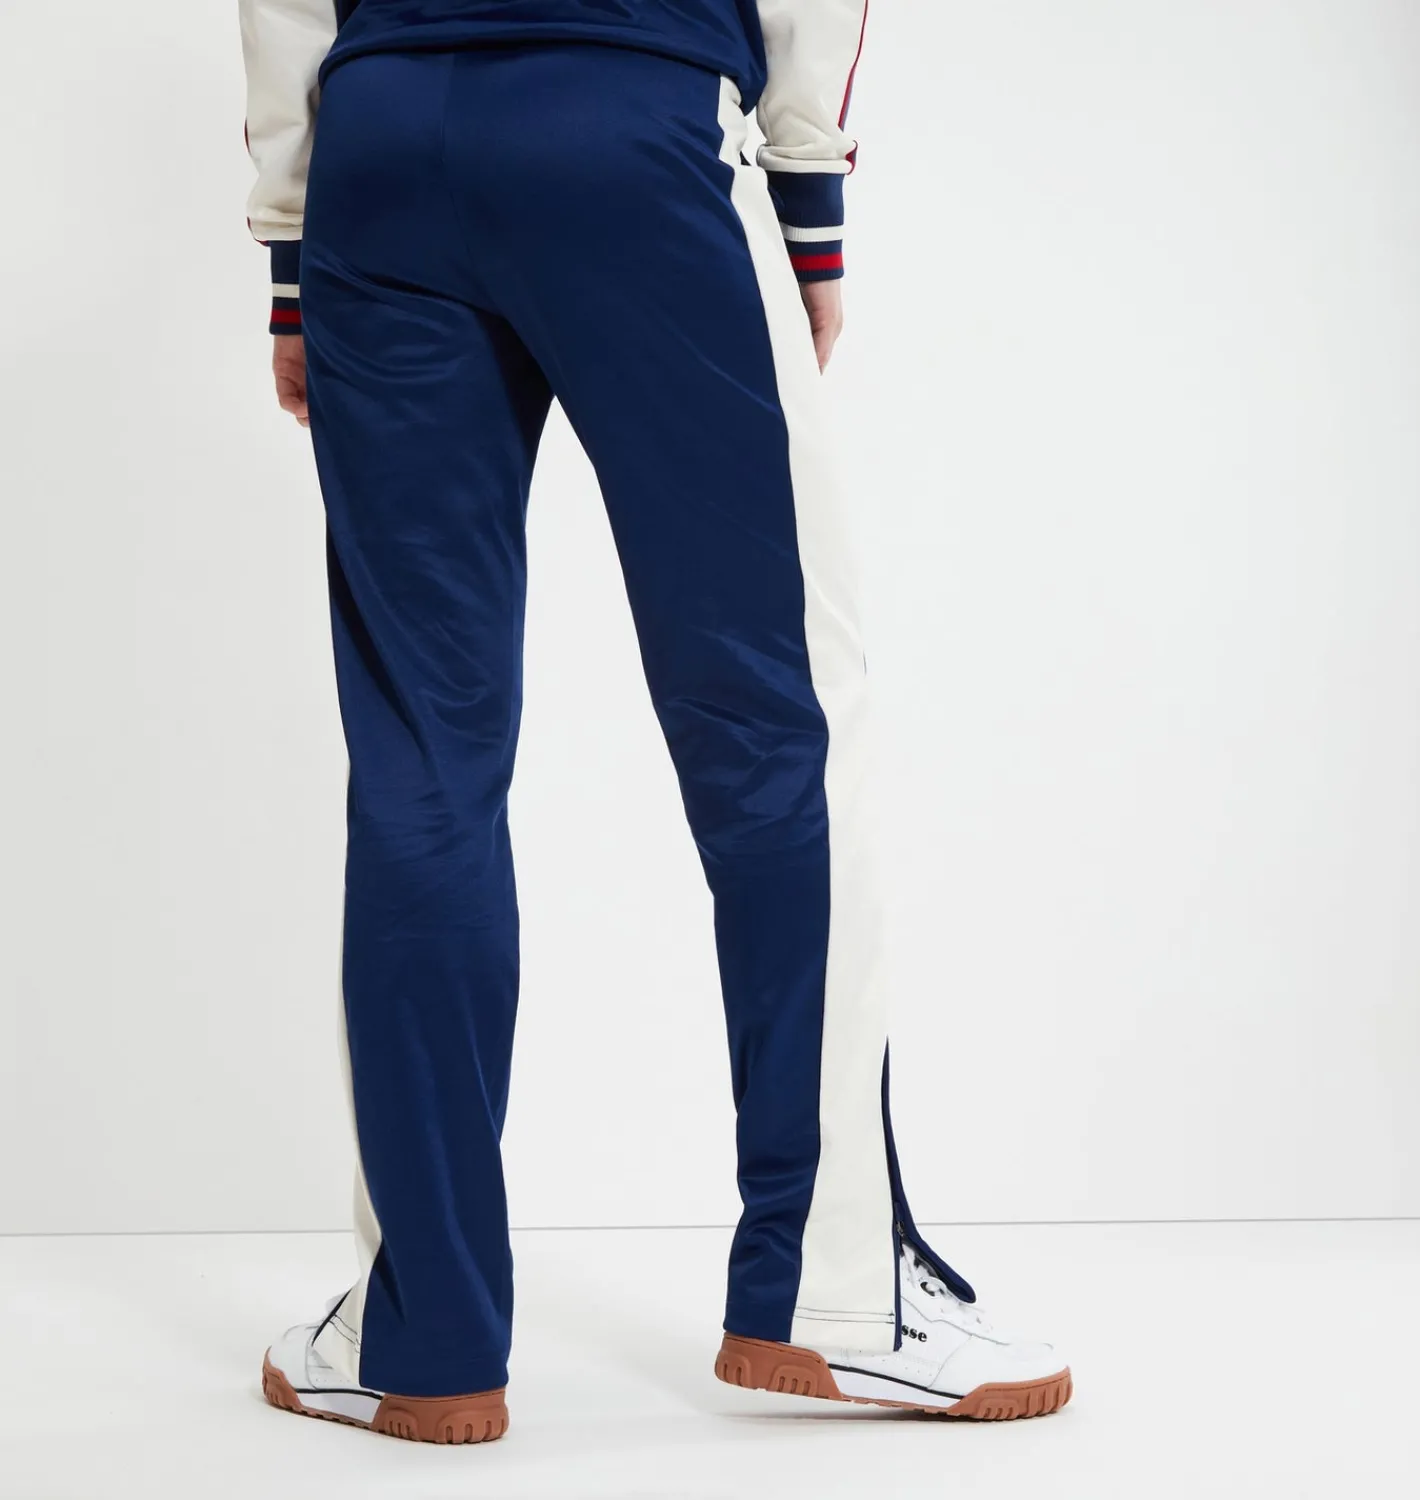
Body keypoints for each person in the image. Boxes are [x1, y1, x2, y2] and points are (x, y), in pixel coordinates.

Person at [241, 0, 1071, 1444]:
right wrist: (807, 205)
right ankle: (830, 1293)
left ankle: (420, 1330)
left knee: (422, 753)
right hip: (633, 117)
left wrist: (292, 242)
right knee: (773, 714)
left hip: (380, 149)